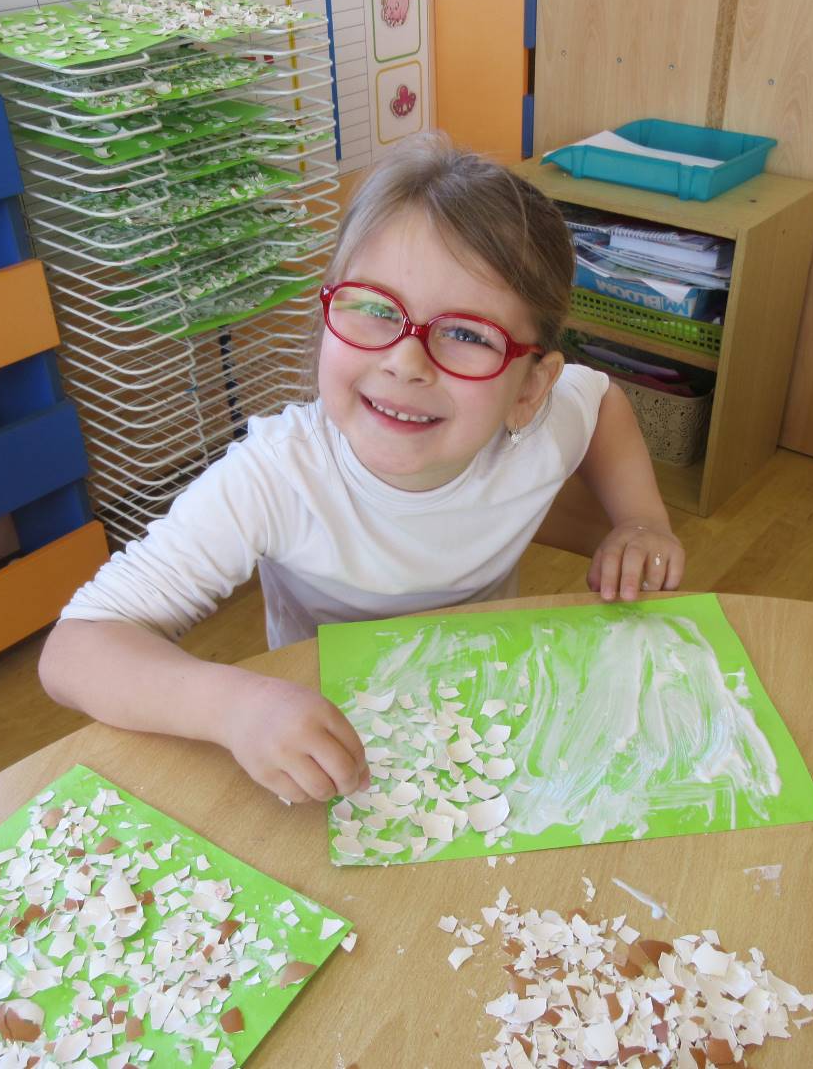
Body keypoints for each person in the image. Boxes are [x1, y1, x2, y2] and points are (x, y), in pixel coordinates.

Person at [39, 132, 685, 806]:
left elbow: (602, 403)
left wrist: (641, 520)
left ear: (530, 387)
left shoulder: (545, 426)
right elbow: (76, 648)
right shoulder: (276, 476)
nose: (406, 362)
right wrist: (235, 708)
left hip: (484, 701)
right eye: (375, 309)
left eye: (467, 334)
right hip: (326, 735)